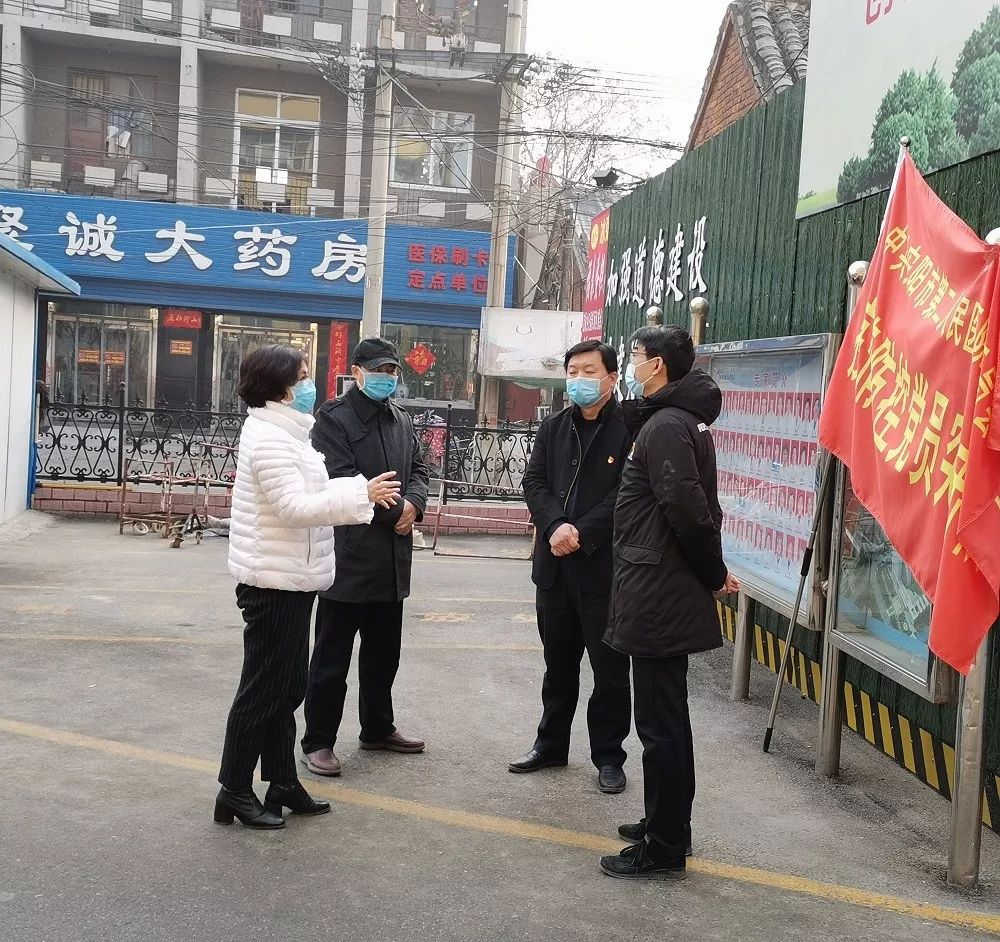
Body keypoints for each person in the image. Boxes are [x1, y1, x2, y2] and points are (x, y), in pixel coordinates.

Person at [217, 345, 401, 829]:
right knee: (263, 690)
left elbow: (311, 494)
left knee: (285, 687)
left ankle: (281, 782)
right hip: (273, 582)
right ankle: (233, 789)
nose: (309, 384)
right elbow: (294, 508)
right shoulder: (270, 439)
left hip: (291, 577)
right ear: (280, 387)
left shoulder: (288, 432)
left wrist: (355, 491)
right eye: (300, 377)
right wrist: (360, 492)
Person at [600, 325, 740, 881]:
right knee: (665, 720)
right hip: (659, 582)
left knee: (660, 726)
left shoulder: (666, 426)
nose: (632, 364)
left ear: (657, 365)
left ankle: (663, 847)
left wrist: (714, 573)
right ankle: (667, 825)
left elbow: (688, 510)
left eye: (635, 355)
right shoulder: (675, 422)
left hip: (659, 590)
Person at [301, 338, 430, 777]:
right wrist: (398, 513)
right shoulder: (333, 418)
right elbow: (338, 478)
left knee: (383, 656)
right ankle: (318, 740)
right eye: (378, 370)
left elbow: (420, 470)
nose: (386, 377)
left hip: (392, 561)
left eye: (392, 371)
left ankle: (377, 727)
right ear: (356, 372)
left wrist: (415, 504)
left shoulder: (401, 419)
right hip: (349, 559)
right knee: (331, 660)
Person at [510, 340, 633, 794]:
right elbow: (534, 481)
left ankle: (609, 757)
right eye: (573, 371)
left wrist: (580, 531)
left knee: (610, 672)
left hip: (603, 571)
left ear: (612, 378)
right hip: (555, 569)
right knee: (557, 666)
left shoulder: (630, 428)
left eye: (589, 371)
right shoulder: (554, 427)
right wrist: (554, 525)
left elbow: (627, 493)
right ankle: (550, 744)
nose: (579, 379)